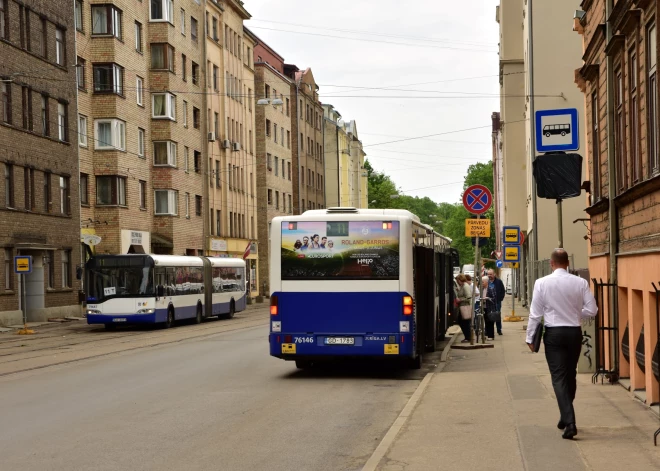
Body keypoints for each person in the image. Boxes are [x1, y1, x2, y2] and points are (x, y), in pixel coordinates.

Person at [526, 249, 597, 440]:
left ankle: (570, 422)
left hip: (554, 334)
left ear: (551, 263)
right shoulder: (580, 282)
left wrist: (529, 338)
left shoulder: (541, 283)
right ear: (567, 263)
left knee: (558, 377)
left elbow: (535, 314)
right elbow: (592, 310)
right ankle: (565, 416)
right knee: (570, 373)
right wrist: (575, 314)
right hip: (574, 333)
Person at [487, 269, 506, 335]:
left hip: (497, 302)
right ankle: (489, 330)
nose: (489, 276)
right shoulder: (486, 281)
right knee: (489, 316)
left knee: (497, 315)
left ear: (494, 274)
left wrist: (500, 299)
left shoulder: (498, 281)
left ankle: (499, 329)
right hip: (488, 302)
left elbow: (503, 290)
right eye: (488, 274)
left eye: (491, 274)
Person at [454, 275, 473, 343]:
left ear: (460, 280)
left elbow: (468, 297)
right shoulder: (462, 286)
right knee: (462, 322)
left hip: (465, 307)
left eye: (457, 280)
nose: (457, 282)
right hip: (462, 307)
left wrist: (460, 300)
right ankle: (467, 337)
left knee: (465, 322)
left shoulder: (465, 286)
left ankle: (468, 337)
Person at [481, 276, 497, 340]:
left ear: (486, 282)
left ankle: (491, 336)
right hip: (484, 307)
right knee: (486, 321)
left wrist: (488, 298)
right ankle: (487, 334)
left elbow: (494, 299)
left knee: (490, 322)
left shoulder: (491, 288)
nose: (482, 283)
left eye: (483, 282)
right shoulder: (482, 289)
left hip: (490, 307)